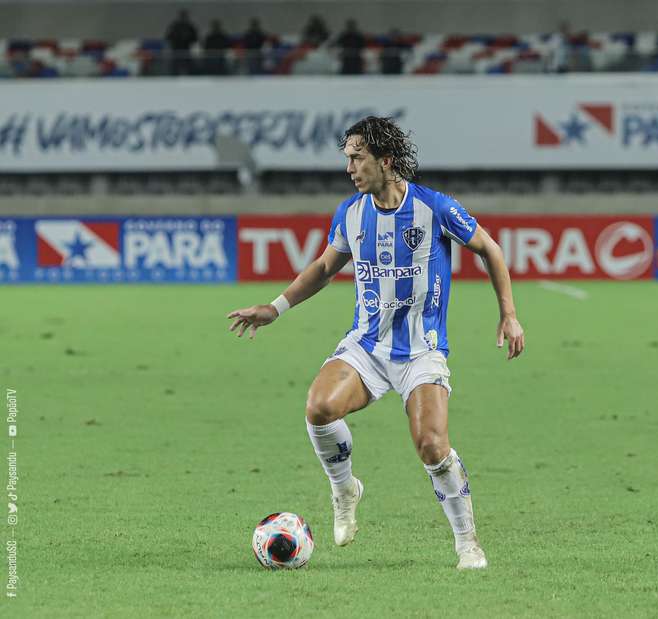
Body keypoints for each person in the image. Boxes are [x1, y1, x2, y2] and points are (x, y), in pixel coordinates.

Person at [227, 116, 525, 570]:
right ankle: (345, 489)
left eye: (356, 157)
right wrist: (276, 307)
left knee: (431, 445)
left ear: (385, 161)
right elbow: (325, 268)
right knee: (318, 409)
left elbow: (490, 248)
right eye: (347, 157)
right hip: (367, 346)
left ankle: (467, 542)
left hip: (422, 350)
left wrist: (508, 313)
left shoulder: (435, 208)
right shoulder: (351, 212)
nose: (349, 167)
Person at [165, 9, 199, 76]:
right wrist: (177, 38)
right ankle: (173, 77)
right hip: (176, 50)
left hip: (186, 49)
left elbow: (195, 38)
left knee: (188, 67)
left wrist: (187, 38)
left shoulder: (190, 26)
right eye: (182, 16)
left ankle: (190, 76)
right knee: (175, 67)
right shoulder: (175, 26)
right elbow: (168, 37)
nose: (183, 17)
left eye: (185, 16)